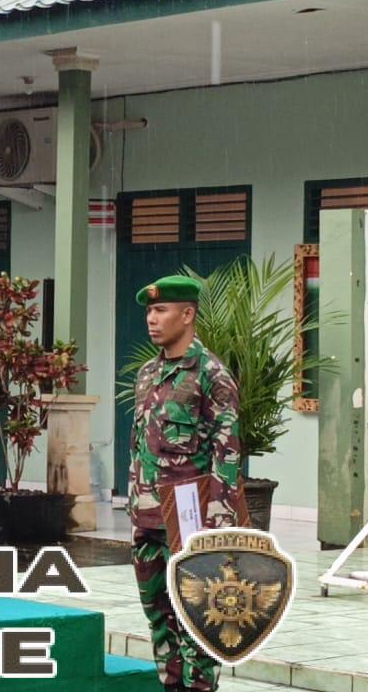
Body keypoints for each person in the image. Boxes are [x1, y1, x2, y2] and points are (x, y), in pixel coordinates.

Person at [127, 275, 241, 692]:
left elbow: (227, 454)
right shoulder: (147, 374)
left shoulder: (211, 375)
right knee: (159, 617)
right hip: (147, 519)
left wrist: (218, 524)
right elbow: (140, 447)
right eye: (149, 312)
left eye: (161, 310)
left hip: (191, 525)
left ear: (188, 314)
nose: (151, 320)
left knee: (199, 618)